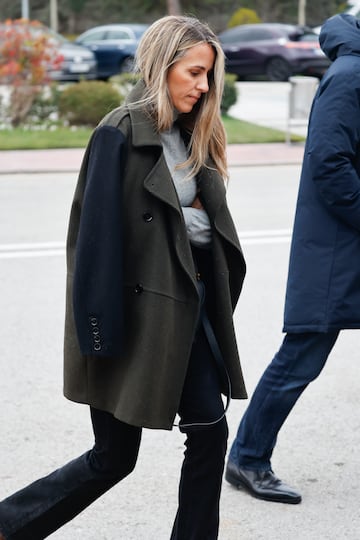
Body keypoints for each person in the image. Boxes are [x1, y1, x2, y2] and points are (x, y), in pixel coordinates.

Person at [0, 14, 247, 540]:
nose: (204, 87)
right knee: (113, 459)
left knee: (209, 432)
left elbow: (200, 231)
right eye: (195, 73)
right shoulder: (118, 133)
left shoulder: (191, 134)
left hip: (186, 317)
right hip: (131, 325)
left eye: (209, 76)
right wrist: (98, 339)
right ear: (163, 66)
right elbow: (93, 248)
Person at [225, 12, 360, 505]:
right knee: (302, 356)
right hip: (336, 251)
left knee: (304, 355)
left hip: (345, 245)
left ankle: (247, 455)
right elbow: (330, 164)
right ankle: (248, 457)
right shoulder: (351, 76)